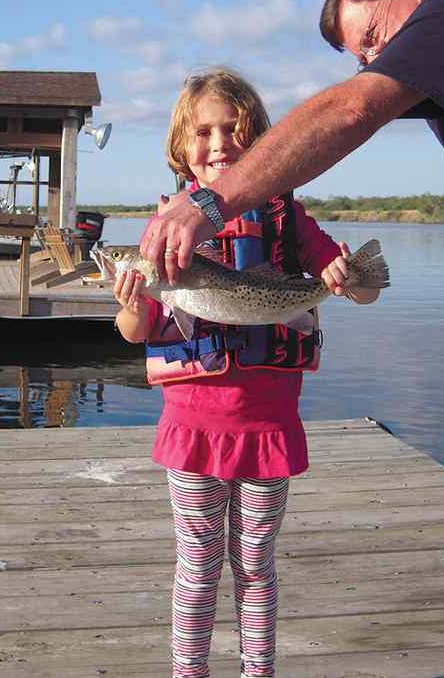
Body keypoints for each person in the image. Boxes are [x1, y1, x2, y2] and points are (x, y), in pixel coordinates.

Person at [112, 68, 380, 678]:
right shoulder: (161, 234)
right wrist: (130, 299)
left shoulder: (290, 221)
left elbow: (364, 293)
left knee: (256, 560)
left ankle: (259, 672)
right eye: (203, 132)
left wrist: (343, 278)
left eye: (233, 130)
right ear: (182, 149)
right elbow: (138, 330)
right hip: (192, 431)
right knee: (197, 563)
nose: (219, 143)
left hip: (268, 428)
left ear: (260, 142)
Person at [139, 0, 444, 286]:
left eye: (371, 37)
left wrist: (208, 204)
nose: (373, 65)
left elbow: (350, 109)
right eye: (362, 60)